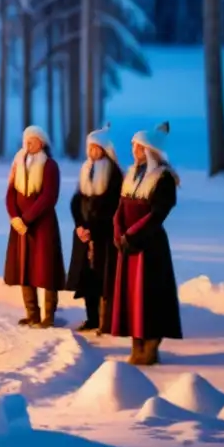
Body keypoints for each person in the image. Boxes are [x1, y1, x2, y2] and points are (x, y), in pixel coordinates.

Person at [110, 123, 182, 366]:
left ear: (150, 149)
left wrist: (132, 235)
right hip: (127, 247)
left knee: (150, 296)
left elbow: (157, 213)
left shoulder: (163, 178)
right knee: (131, 297)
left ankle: (150, 346)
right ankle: (136, 344)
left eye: (138, 146)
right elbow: (120, 208)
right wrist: (119, 232)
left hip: (149, 247)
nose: (134, 150)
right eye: (133, 146)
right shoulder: (131, 174)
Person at [3, 125, 65, 328]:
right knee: (24, 268)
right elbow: (11, 192)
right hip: (20, 227)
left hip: (42, 225)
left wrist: (27, 219)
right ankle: (32, 313)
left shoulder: (50, 166)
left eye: (32, 141)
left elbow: (49, 197)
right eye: (26, 141)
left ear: (42, 143)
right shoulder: (18, 163)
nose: (27, 145)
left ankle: (49, 316)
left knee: (46, 269)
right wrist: (15, 217)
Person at [65, 124, 123, 334]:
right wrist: (80, 226)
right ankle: (91, 318)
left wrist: (94, 229)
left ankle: (105, 321)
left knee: (104, 278)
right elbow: (75, 201)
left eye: (96, 148)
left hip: (104, 235)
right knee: (87, 279)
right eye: (89, 148)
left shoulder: (114, 173)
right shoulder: (85, 169)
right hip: (84, 235)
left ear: (105, 149)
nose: (92, 152)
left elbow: (113, 205)